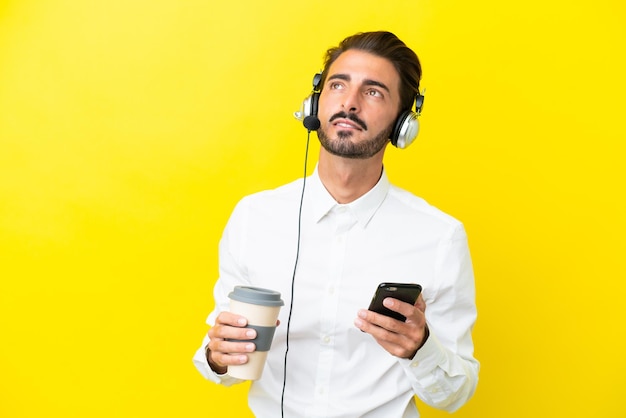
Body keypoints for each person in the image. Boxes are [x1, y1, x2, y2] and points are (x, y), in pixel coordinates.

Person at [193, 31, 479, 417]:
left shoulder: (439, 236)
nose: (349, 103)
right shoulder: (255, 217)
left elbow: (454, 394)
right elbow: (220, 365)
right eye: (338, 85)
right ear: (315, 101)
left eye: (373, 92)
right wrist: (218, 355)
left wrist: (420, 347)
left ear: (403, 122)